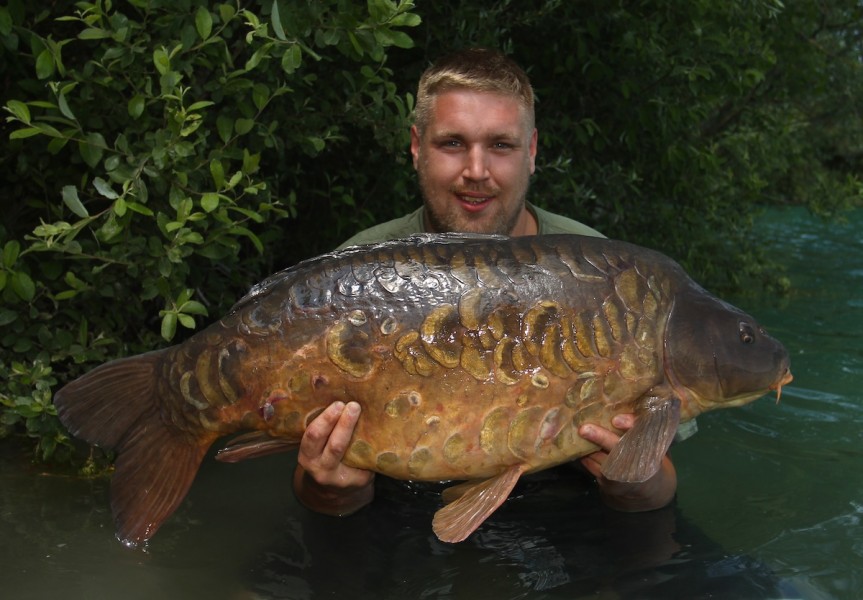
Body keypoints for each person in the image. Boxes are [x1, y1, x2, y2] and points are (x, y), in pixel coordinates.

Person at [292, 47, 689, 522]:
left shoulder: (605, 273)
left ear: (533, 151)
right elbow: (310, 487)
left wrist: (635, 486)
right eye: (453, 143)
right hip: (396, 512)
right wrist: (335, 493)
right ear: (417, 147)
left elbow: (659, 488)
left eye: (500, 145)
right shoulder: (356, 275)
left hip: (564, 512)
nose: (476, 170)